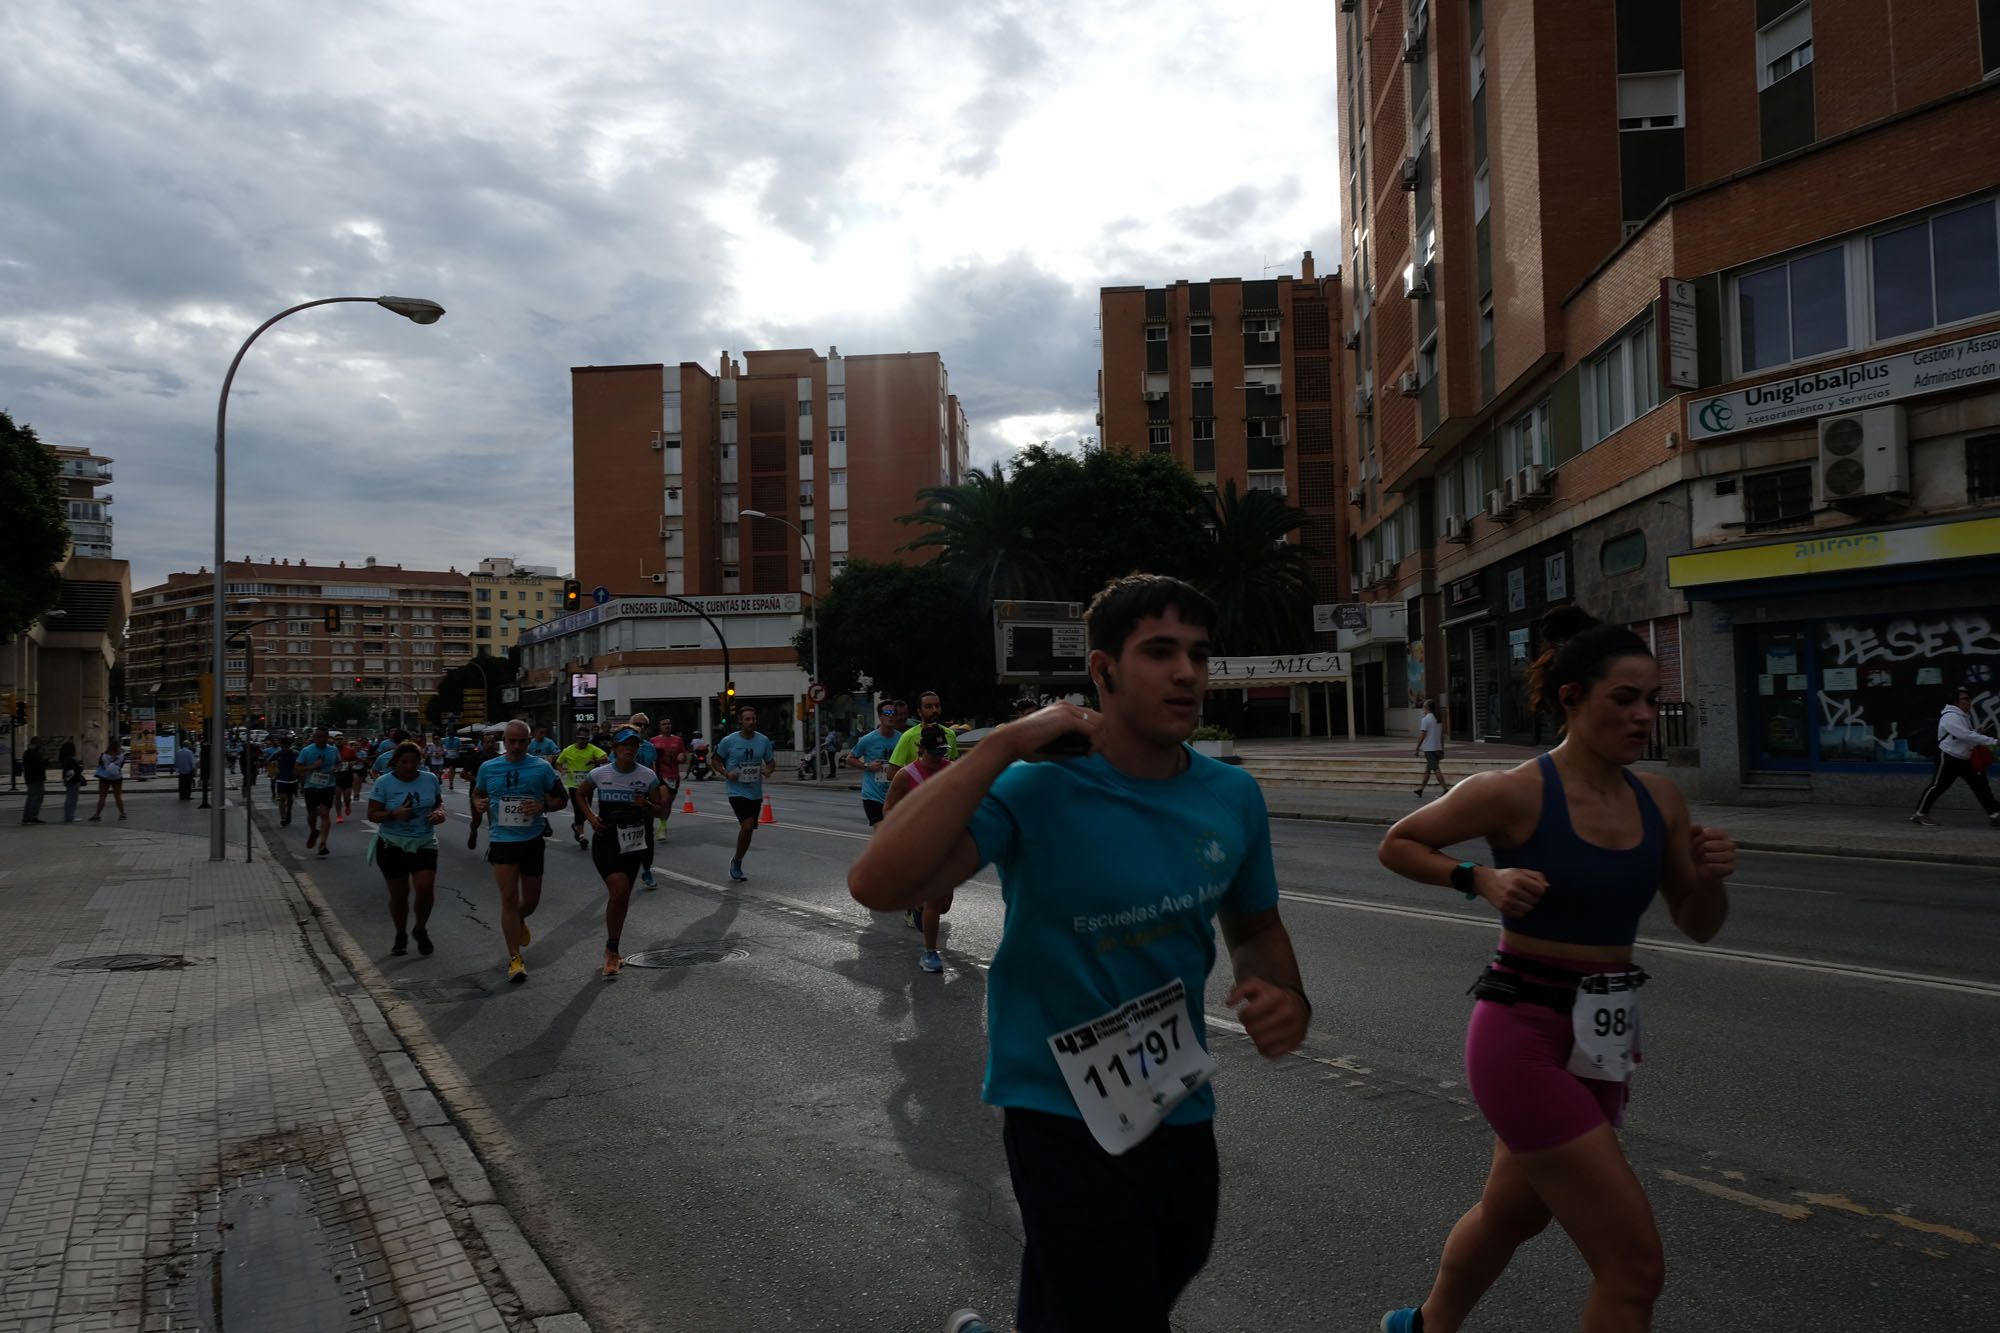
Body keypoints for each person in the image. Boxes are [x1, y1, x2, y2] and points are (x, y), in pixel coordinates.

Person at [848, 574, 1310, 1333]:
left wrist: (1285, 995)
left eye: (1198, 653)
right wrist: (999, 746)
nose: (1187, 672)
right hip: (1057, 1107)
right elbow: (876, 881)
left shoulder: (1233, 795)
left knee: (1164, 1263)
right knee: (1115, 1306)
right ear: (1103, 672)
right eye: (1159, 651)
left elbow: (1256, 928)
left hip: (1177, 1096)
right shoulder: (1037, 787)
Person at [1374, 606, 1736, 1333]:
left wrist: (1708, 877)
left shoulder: (1658, 798)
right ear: (1572, 697)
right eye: (1625, 699)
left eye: (1652, 699)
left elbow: (1698, 924)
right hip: (1523, 1032)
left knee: (1511, 1215)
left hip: (1602, 1039)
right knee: (1632, 1266)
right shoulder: (1512, 791)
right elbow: (1399, 842)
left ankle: (1421, 1327)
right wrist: (1480, 879)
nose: (1644, 716)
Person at [470, 720, 570, 984]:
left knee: (531, 902)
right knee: (509, 899)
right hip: (502, 840)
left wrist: (541, 806)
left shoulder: (541, 767)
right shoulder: (489, 767)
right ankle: (515, 958)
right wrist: (478, 803)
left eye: (521, 741)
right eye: (512, 741)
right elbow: (478, 792)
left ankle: (518, 921)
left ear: (529, 741)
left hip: (532, 838)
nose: (516, 746)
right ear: (505, 740)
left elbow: (561, 799)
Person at [576, 728, 668, 977]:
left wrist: (647, 805)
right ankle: (611, 950)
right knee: (618, 889)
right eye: (624, 745)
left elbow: (661, 811)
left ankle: (613, 947)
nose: (629, 749)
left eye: (634, 745)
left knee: (623, 896)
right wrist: (591, 819)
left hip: (632, 843)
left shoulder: (647, 776)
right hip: (606, 840)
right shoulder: (600, 773)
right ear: (614, 749)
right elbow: (580, 794)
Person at [883, 724, 957, 972]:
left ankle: (916, 904)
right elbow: (889, 809)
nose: (939, 757)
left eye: (942, 751)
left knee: (944, 905)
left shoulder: (951, 770)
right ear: (921, 750)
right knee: (935, 901)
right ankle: (929, 953)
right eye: (934, 752)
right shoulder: (906, 775)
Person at [367, 740, 447, 957]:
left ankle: (420, 928)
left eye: (414, 761)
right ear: (395, 763)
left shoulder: (429, 778)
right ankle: (400, 933)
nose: (410, 766)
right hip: (392, 843)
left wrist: (439, 813)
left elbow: (438, 802)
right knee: (399, 894)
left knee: (425, 887)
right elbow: (372, 813)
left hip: (424, 841)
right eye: (404, 762)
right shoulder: (384, 782)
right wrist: (394, 814)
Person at [1910, 686, 2000, 827]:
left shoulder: (1963, 715)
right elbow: (1964, 735)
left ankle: (1995, 815)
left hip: (1965, 758)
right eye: (1965, 699)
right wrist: (1993, 741)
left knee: (1981, 786)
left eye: (1969, 698)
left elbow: (1963, 735)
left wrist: (1977, 732)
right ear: (1955, 702)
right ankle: (1920, 814)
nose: (1968, 701)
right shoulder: (1950, 716)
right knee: (1937, 786)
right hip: (1949, 757)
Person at [714, 706, 775, 882]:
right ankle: (737, 863)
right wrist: (726, 773)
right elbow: (715, 760)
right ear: (741, 722)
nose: (751, 722)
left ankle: (737, 859)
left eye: (753, 719)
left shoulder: (763, 741)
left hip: (755, 792)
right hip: (736, 789)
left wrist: (768, 770)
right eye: (747, 719)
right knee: (747, 825)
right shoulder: (729, 741)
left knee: (748, 830)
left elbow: (771, 762)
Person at [846, 701, 902, 827]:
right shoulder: (868, 739)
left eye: (893, 713)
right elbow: (850, 759)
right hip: (873, 795)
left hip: (894, 794)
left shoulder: (902, 739)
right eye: (887, 713)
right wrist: (867, 766)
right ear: (880, 716)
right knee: (882, 831)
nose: (891, 716)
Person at [885, 690, 957, 783]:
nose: (934, 710)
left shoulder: (950, 734)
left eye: (937, 706)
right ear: (919, 711)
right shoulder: (908, 736)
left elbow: (954, 767)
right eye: (928, 707)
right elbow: (891, 773)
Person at [557, 726, 608, 847]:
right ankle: (581, 836)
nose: (583, 741)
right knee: (578, 809)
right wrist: (562, 770)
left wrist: (594, 762)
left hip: (588, 785)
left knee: (587, 809)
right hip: (573, 785)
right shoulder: (568, 750)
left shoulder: (592, 749)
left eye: (586, 738)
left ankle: (576, 826)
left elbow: (605, 758)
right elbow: (558, 763)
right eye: (581, 738)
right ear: (576, 738)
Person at [296, 726, 341, 857]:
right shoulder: (306, 751)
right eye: (319, 736)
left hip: (328, 786)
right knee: (311, 814)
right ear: (314, 737)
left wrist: (337, 769)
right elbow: (297, 768)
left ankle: (323, 844)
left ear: (328, 738)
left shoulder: (333, 750)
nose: (322, 739)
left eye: (324, 737)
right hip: (311, 786)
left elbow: (339, 763)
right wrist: (312, 766)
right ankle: (313, 831)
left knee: (325, 814)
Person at [649, 716, 687, 844]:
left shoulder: (678, 740)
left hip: (674, 775)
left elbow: (683, 755)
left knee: (668, 804)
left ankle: (663, 826)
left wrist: (682, 757)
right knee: (664, 800)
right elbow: (651, 758)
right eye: (664, 724)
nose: (667, 726)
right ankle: (658, 823)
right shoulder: (653, 741)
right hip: (659, 774)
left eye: (669, 724)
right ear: (659, 726)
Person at [1415, 697, 1451, 798]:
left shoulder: (1425, 720)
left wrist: (1417, 748)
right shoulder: (1437, 719)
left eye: (1423, 707)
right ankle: (1420, 790)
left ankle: (1445, 789)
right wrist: (1442, 750)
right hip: (1437, 748)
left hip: (1429, 749)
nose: (1422, 709)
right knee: (1428, 769)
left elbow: (1422, 735)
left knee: (1435, 769)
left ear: (1427, 708)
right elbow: (1441, 737)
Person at [89, 739, 129, 821]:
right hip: (117, 778)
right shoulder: (121, 756)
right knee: (118, 796)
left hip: (105, 778)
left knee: (102, 797)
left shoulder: (103, 755)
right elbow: (121, 766)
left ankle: (97, 815)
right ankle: (122, 814)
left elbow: (100, 765)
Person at [266, 735, 299, 825]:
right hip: (281, 779)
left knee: (290, 799)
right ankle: (283, 818)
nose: (285, 747)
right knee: (282, 798)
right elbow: (268, 761)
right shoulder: (278, 754)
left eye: (287, 744)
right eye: (283, 745)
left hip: (293, 780)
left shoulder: (296, 753)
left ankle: (288, 814)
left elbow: (301, 763)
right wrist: (274, 768)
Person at [20, 737, 48, 823]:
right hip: (36, 778)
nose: (41, 745)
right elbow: (37, 766)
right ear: (36, 743)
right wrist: (45, 762)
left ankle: (27, 817)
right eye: (40, 743)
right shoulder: (35, 753)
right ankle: (32, 816)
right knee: (36, 798)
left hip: (30, 778)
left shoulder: (27, 753)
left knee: (30, 797)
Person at [59, 740, 84, 822]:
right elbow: (79, 769)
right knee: (72, 799)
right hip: (73, 781)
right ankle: (70, 816)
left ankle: (68, 815)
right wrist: (80, 766)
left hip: (68, 780)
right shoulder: (71, 759)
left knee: (69, 798)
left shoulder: (64, 758)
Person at [172, 737, 197, 801]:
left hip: (181, 771)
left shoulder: (178, 752)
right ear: (188, 745)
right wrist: (194, 770)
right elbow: (192, 762)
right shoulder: (189, 752)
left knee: (182, 784)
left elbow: (176, 762)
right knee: (188, 784)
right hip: (188, 771)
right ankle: (187, 796)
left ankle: (182, 796)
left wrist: (177, 768)